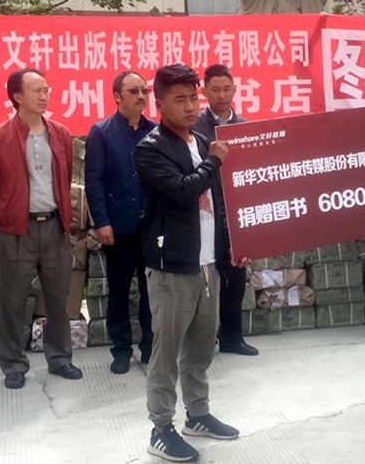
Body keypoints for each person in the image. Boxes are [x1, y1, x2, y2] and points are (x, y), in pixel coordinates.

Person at [134, 64, 241, 463]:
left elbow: (221, 202)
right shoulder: (150, 148)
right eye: (180, 99)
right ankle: (161, 427)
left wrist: (234, 246)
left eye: (193, 98)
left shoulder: (203, 141)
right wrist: (213, 162)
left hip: (208, 262)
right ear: (159, 104)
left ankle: (198, 414)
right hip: (172, 266)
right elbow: (182, 191)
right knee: (166, 353)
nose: (191, 106)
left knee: (201, 349)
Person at [0, 68, 82, 389]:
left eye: (46, 90)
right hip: (16, 230)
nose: (44, 96)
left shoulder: (60, 133)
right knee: (12, 301)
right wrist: (7, 218)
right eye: (36, 90)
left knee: (58, 299)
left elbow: (65, 177)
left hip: (54, 226)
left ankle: (60, 358)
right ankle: (13, 364)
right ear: (17, 96)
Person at [85, 71, 157, 374]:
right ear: (117, 96)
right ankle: (121, 349)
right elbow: (94, 181)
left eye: (144, 91)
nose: (141, 96)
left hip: (151, 226)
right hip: (118, 226)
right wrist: (101, 222)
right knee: (119, 290)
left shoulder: (155, 131)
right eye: (133, 91)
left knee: (152, 289)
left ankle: (150, 347)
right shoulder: (101, 133)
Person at [192, 64, 258, 356]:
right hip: (204, 215)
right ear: (204, 91)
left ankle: (232, 338)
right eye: (215, 89)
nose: (221, 95)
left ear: (235, 90)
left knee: (235, 279)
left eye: (227, 89)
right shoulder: (195, 127)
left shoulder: (245, 126)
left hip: (236, 214)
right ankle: (202, 341)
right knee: (203, 281)